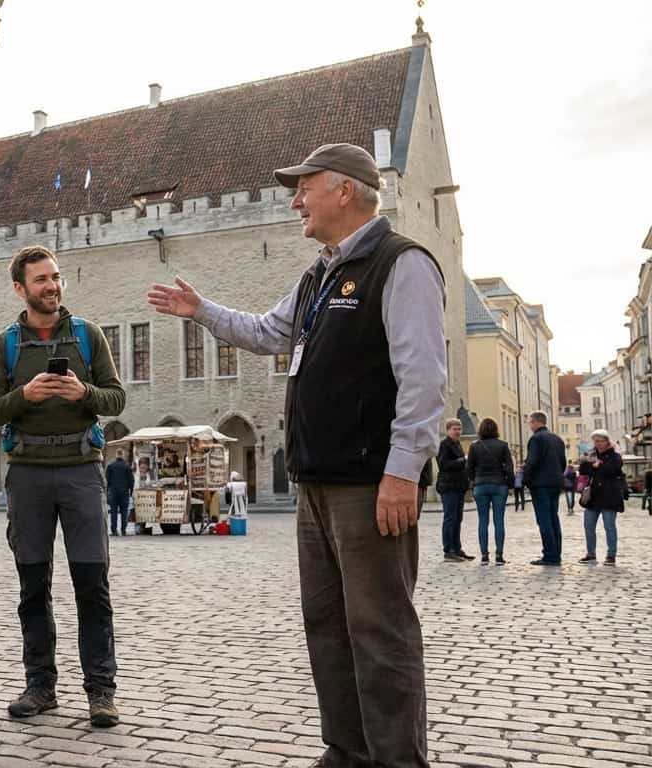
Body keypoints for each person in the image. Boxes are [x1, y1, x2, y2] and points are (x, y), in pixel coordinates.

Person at [147, 143, 444, 766]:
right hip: (315, 485)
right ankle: (346, 752)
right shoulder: (319, 274)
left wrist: (402, 472)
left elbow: (422, 379)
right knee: (329, 630)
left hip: (369, 484)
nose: (294, 198)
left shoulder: (402, 264)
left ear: (344, 190)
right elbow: (267, 332)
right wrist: (200, 311)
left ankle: (397, 759)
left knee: (381, 632)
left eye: (304, 186)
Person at [0, 245, 126, 728]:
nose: (53, 286)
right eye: (41, 279)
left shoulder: (89, 336)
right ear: (21, 289)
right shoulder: (6, 345)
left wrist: (83, 393)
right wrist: (25, 395)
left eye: (56, 277)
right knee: (32, 586)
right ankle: (40, 685)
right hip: (27, 476)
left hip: (81, 471)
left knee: (92, 584)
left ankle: (101, 691)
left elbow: (117, 397)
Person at [466, 418, 514, 565]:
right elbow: (509, 467)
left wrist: (474, 480)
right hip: (499, 485)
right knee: (499, 521)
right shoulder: (503, 445)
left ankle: (484, 556)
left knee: (483, 521)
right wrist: (510, 484)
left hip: (481, 485)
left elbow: (469, 468)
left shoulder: (474, 446)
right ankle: (499, 556)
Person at [524, 411, 566, 566]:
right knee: (554, 518)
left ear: (535, 422)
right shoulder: (557, 439)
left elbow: (532, 462)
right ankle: (556, 552)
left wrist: (526, 480)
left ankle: (549, 554)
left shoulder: (536, 439)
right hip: (555, 483)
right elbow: (563, 462)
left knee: (544, 520)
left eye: (530, 422)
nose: (530, 425)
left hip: (540, 484)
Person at [578, 430, 621, 565]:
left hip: (609, 496)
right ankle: (591, 554)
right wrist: (589, 463)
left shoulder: (615, 456)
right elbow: (583, 470)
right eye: (597, 441)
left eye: (602, 441)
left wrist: (598, 465)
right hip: (593, 497)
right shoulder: (591, 454)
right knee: (588, 526)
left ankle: (611, 555)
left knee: (609, 527)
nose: (600, 444)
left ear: (607, 441)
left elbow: (613, 470)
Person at [436, 418, 473, 562]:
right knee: (450, 518)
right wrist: (462, 460)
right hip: (449, 486)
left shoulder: (457, 444)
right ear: (448, 430)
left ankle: (457, 548)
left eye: (459, 429)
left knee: (458, 518)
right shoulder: (444, 445)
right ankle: (448, 550)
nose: (458, 432)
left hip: (458, 486)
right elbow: (443, 464)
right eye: (455, 429)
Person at [105, 450, 133, 536]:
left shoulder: (110, 466)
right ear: (123, 455)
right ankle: (123, 530)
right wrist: (131, 491)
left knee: (113, 512)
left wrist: (107, 492)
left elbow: (107, 480)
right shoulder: (127, 466)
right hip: (124, 492)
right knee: (124, 512)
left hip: (113, 492)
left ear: (116, 455)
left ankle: (114, 531)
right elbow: (131, 480)